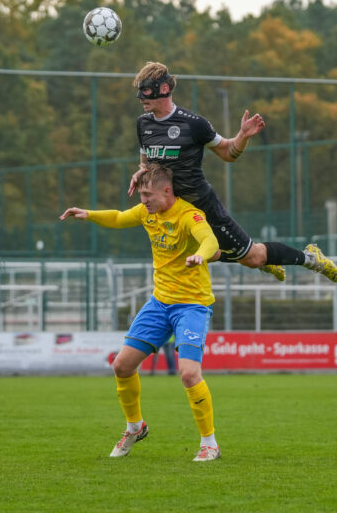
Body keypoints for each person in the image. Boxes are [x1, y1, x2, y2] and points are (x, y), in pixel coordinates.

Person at [60, 163, 223, 462]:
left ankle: (209, 443)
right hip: (159, 303)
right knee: (121, 366)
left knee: (189, 374)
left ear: (167, 191)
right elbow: (119, 218)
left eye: (148, 195)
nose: (143, 200)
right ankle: (135, 427)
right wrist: (89, 214)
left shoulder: (189, 215)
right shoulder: (147, 213)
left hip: (192, 305)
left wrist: (200, 255)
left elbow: (209, 239)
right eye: (141, 195)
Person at [125, 61, 337, 284]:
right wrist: (141, 173)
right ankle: (262, 260)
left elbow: (228, 152)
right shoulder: (143, 124)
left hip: (202, 206)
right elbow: (147, 165)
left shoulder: (194, 124)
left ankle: (310, 258)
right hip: (173, 210)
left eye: (145, 90)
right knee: (199, 255)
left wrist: (243, 135)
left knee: (253, 257)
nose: (140, 97)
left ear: (164, 88)